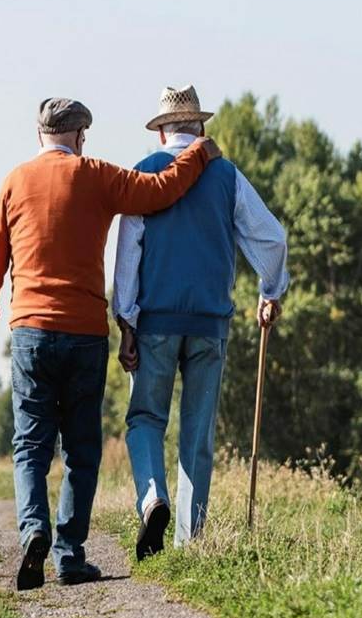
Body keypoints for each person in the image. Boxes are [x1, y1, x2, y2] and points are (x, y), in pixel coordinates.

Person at [0, 97, 222, 590]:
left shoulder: (14, 182)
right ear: (81, 135)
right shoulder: (96, 175)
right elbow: (159, 191)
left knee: (30, 445)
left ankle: (33, 534)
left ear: (40, 135)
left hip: (29, 333)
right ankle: (68, 555)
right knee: (82, 450)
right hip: (85, 334)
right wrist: (199, 154)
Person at [111, 85, 290, 560]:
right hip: (211, 322)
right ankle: (192, 543)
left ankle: (153, 500)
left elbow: (130, 253)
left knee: (146, 417)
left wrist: (125, 320)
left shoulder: (144, 174)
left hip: (156, 321)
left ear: (162, 129)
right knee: (197, 430)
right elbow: (271, 238)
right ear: (201, 130)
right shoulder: (226, 175)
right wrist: (270, 291)